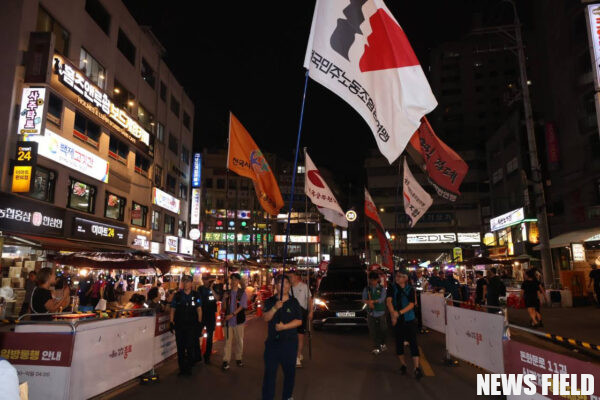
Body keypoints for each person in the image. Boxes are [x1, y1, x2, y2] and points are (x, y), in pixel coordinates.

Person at [261, 275, 303, 400]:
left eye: (286, 283)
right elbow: (266, 318)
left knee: (290, 373)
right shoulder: (269, 301)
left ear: (289, 286)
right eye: (280, 283)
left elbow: (299, 321)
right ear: (276, 286)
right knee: (270, 374)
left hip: (289, 344)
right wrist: (275, 308)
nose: (283, 286)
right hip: (272, 344)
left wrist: (284, 327)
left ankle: (288, 396)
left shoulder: (294, 302)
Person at [386, 270, 423, 380]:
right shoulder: (392, 287)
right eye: (397, 275)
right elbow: (389, 301)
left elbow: (412, 304)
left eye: (401, 276)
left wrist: (399, 313)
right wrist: (393, 315)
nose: (398, 277)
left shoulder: (410, 289)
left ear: (406, 278)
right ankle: (403, 365)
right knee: (399, 344)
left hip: (409, 319)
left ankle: (416, 368)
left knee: (413, 343)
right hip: (398, 320)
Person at [170, 275, 202, 376]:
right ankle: (182, 369)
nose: (186, 283)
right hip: (180, 326)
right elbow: (172, 309)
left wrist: (199, 323)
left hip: (191, 326)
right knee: (180, 348)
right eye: (184, 281)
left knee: (190, 347)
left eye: (188, 281)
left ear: (191, 283)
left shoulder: (196, 295)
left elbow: (199, 309)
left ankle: (188, 368)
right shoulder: (178, 295)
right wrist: (171, 322)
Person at [222, 273, 247, 371]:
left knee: (239, 341)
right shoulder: (227, 292)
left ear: (239, 281)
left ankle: (238, 358)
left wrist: (231, 315)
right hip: (228, 323)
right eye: (232, 280)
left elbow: (241, 306)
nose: (233, 282)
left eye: (235, 280)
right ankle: (225, 360)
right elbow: (224, 307)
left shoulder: (242, 293)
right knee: (227, 342)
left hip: (238, 321)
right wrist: (224, 298)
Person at [289, 270, 312, 368]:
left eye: (291, 276)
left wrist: (311, 312)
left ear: (296, 277)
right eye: (288, 277)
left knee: (300, 336)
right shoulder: (287, 288)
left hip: (301, 314)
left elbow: (310, 300)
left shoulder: (304, 287)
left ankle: (297, 357)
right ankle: (296, 353)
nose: (289, 279)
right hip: (290, 314)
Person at [362, 272, 387, 354]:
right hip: (371, 313)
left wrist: (373, 301)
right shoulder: (366, 289)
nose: (373, 282)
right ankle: (376, 347)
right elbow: (364, 299)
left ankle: (382, 343)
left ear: (377, 280)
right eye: (371, 280)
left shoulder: (382, 288)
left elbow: (382, 299)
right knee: (373, 331)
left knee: (383, 329)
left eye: (374, 280)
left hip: (381, 312)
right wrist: (369, 302)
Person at [198, 274, 218, 364]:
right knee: (198, 334)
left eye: (207, 279)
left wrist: (211, 288)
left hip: (210, 316)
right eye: (204, 279)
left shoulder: (214, 288)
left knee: (210, 337)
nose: (205, 281)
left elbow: (217, 298)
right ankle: (197, 355)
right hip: (202, 315)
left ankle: (207, 356)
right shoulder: (200, 289)